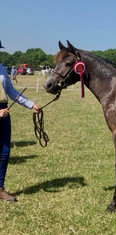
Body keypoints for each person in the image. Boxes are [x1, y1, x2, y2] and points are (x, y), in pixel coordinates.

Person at [0, 40, 40, 201]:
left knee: (4, 153)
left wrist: (31, 104)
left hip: (4, 112)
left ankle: (0, 188)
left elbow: (11, 91)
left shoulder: (1, 68)